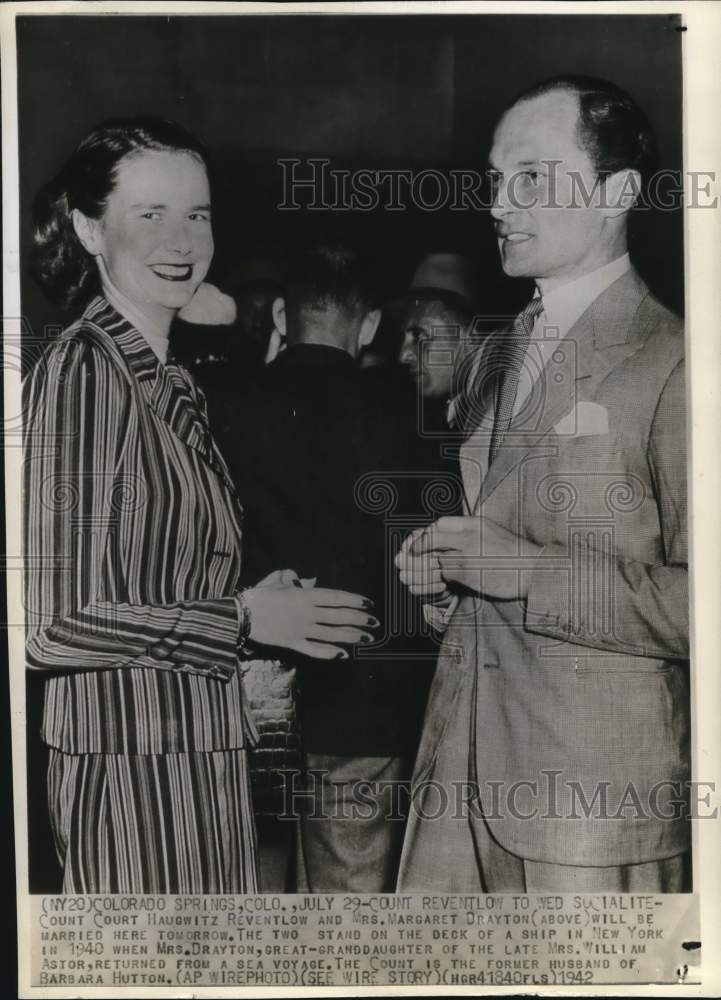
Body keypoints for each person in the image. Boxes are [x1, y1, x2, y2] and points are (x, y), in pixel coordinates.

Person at [24, 118, 376, 894]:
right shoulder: (86, 371)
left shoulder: (171, 381)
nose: (181, 239)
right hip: (132, 764)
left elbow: (158, 578)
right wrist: (244, 619)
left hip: (201, 749)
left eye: (199, 214)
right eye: (150, 214)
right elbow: (49, 625)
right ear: (89, 228)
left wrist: (256, 601)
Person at [396, 76, 689, 892]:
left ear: (617, 191)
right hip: (453, 783)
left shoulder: (676, 361)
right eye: (494, 179)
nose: (497, 203)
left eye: (531, 177)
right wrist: (450, 588)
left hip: (588, 815)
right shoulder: (498, 351)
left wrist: (522, 572)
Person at [229, 239, 436, 893]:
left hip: (247, 704)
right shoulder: (408, 420)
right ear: (369, 324)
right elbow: (421, 577)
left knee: (247, 910)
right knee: (348, 927)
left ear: (283, 320)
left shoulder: (217, 404)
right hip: (367, 712)